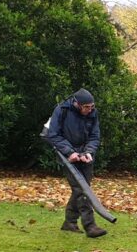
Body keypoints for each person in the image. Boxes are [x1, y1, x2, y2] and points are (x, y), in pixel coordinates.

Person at [43, 89, 107, 238]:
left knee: (82, 189)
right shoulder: (61, 110)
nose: (90, 110)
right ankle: (90, 226)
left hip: (85, 155)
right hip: (66, 155)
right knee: (81, 189)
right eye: (86, 107)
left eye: (92, 106)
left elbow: (95, 136)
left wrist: (88, 153)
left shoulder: (92, 113)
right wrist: (70, 152)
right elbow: (53, 135)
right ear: (77, 104)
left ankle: (69, 223)